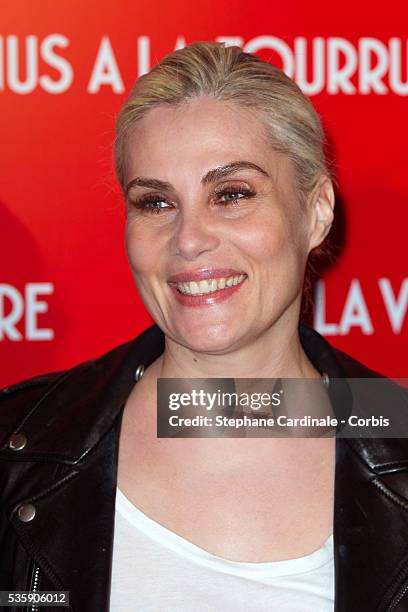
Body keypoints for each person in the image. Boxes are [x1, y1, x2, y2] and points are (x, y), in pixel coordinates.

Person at [1, 41, 408, 612]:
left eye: (232, 194)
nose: (189, 239)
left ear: (316, 210)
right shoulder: (19, 448)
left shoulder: (398, 438)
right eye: (155, 203)